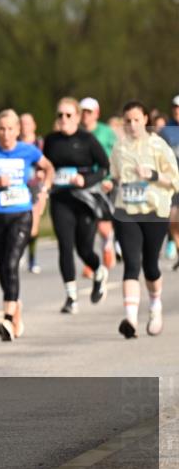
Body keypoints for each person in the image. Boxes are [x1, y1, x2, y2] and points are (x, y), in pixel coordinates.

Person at [0, 110, 54, 341]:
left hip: (21, 214)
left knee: (11, 263)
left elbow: (49, 168)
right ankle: (15, 307)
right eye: (1, 129)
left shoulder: (28, 150)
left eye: (10, 129)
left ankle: (6, 317)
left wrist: (44, 189)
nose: (6, 134)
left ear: (18, 131)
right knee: (3, 269)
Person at [105, 101, 179, 337]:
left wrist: (153, 174)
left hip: (154, 211)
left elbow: (175, 179)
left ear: (145, 119)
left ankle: (155, 306)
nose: (132, 125)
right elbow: (115, 175)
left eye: (137, 120)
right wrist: (110, 182)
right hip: (126, 211)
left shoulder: (159, 145)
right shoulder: (119, 148)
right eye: (128, 121)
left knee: (150, 266)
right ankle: (130, 319)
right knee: (131, 264)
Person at [44, 97, 112, 315]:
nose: (63, 119)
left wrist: (87, 180)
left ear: (76, 117)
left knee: (84, 248)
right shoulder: (51, 140)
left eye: (68, 115)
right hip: (60, 198)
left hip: (84, 199)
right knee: (65, 245)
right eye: (60, 115)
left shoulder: (87, 139)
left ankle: (98, 270)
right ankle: (71, 297)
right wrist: (42, 175)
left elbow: (104, 167)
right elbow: (45, 166)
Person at [80, 97, 118, 272]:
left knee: (103, 227)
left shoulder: (106, 132)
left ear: (96, 113)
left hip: (103, 182)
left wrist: (110, 178)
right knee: (86, 224)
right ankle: (90, 261)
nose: (85, 115)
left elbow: (115, 155)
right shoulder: (77, 132)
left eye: (88, 112)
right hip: (84, 183)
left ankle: (107, 246)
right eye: (82, 112)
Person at [19, 112, 47, 274]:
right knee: (20, 221)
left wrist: (43, 174)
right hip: (19, 187)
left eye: (28, 123)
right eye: (21, 123)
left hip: (36, 186)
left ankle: (32, 259)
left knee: (33, 225)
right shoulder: (13, 145)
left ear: (34, 125)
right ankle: (20, 250)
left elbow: (49, 164)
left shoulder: (40, 144)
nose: (24, 126)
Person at [160, 95, 179, 267]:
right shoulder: (166, 131)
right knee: (172, 217)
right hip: (173, 181)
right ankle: (176, 245)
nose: (177, 110)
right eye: (175, 107)